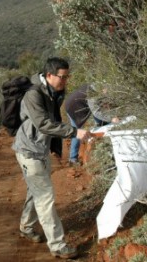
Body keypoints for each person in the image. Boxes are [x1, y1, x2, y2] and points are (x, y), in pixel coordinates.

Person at [12, 57, 90, 259]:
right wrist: (74, 132)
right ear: (49, 75)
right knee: (45, 197)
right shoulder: (33, 94)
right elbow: (43, 124)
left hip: (40, 149)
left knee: (35, 190)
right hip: (29, 151)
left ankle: (26, 228)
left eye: (67, 77)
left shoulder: (54, 91)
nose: (65, 81)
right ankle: (57, 245)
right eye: (62, 77)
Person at [64, 84, 120, 165]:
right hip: (73, 108)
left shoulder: (95, 87)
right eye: (106, 90)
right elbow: (96, 112)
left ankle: (102, 128)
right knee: (77, 131)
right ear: (102, 88)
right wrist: (111, 119)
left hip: (78, 103)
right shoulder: (92, 94)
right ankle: (73, 159)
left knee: (100, 118)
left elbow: (99, 106)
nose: (106, 93)